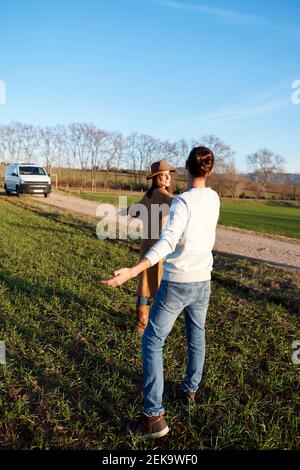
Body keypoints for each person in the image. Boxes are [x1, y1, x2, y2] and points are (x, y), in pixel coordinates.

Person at [101, 147, 220, 440]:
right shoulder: (214, 198)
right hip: (203, 281)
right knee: (197, 336)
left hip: (179, 281)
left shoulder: (181, 202)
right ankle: (189, 391)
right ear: (210, 170)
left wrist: (132, 270)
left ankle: (153, 417)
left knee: (153, 341)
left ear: (187, 169)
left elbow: (167, 243)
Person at [133, 161, 175, 334]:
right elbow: (179, 205)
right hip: (159, 246)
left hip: (146, 244)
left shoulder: (149, 194)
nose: (167, 177)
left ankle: (140, 323)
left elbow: (134, 211)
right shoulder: (164, 195)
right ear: (156, 178)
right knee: (158, 282)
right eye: (163, 175)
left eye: (168, 174)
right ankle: (153, 324)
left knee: (145, 281)